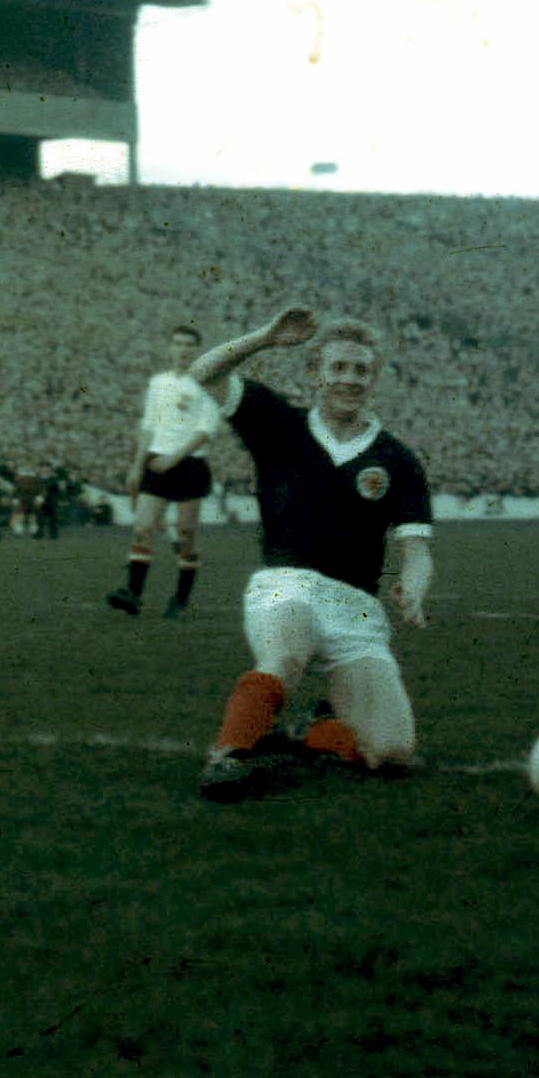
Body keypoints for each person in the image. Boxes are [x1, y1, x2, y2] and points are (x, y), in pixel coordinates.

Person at [186, 306, 434, 800]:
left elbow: (417, 548)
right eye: (338, 367)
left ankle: (314, 731)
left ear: (374, 378)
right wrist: (263, 337)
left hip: (357, 611)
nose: (349, 379)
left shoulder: (398, 460)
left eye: (361, 369)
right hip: (287, 585)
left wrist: (415, 584)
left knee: (391, 753)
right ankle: (230, 754)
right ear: (315, 372)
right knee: (287, 648)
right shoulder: (279, 422)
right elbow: (200, 375)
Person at [108, 324, 221, 620]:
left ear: (197, 351)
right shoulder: (158, 383)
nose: (183, 349)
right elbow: (148, 426)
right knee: (143, 527)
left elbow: (205, 431)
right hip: (157, 461)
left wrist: (174, 459)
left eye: (189, 345)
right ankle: (132, 594)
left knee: (186, 536)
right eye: (178, 344)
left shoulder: (209, 384)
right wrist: (136, 466)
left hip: (190, 463)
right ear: (170, 348)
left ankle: (180, 600)